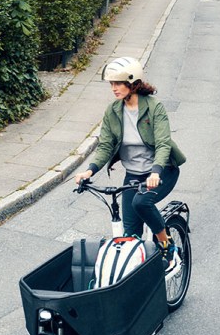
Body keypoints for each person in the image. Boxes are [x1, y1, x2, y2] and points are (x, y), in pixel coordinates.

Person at [74, 56, 186, 271]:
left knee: (141, 203)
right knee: (130, 235)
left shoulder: (154, 108)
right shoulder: (113, 111)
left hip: (163, 171)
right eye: (111, 84)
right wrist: (89, 171)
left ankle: (167, 245)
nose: (114, 88)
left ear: (133, 83)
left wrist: (156, 172)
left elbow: (163, 144)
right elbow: (105, 145)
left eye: (118, 83)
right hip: (133, 175)